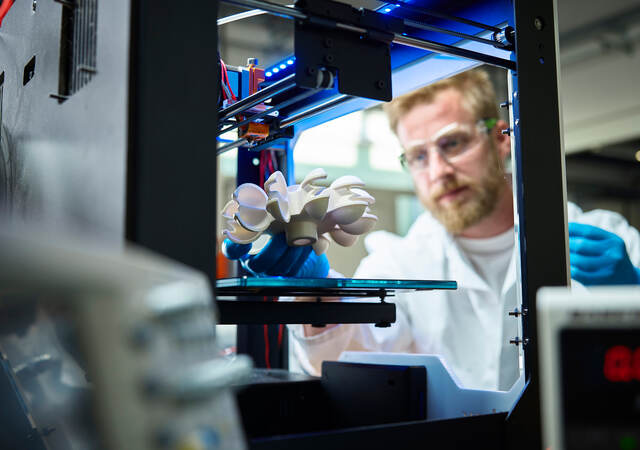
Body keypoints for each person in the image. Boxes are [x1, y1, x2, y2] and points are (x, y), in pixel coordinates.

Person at [224, 69, 640, 391]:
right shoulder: (399, 259)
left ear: (501, 139)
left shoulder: (602, 236)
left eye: (453, 143)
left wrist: (632, 294)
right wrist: (320, 296)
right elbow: (347, 357)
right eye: (418, 156)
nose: (439, 171)